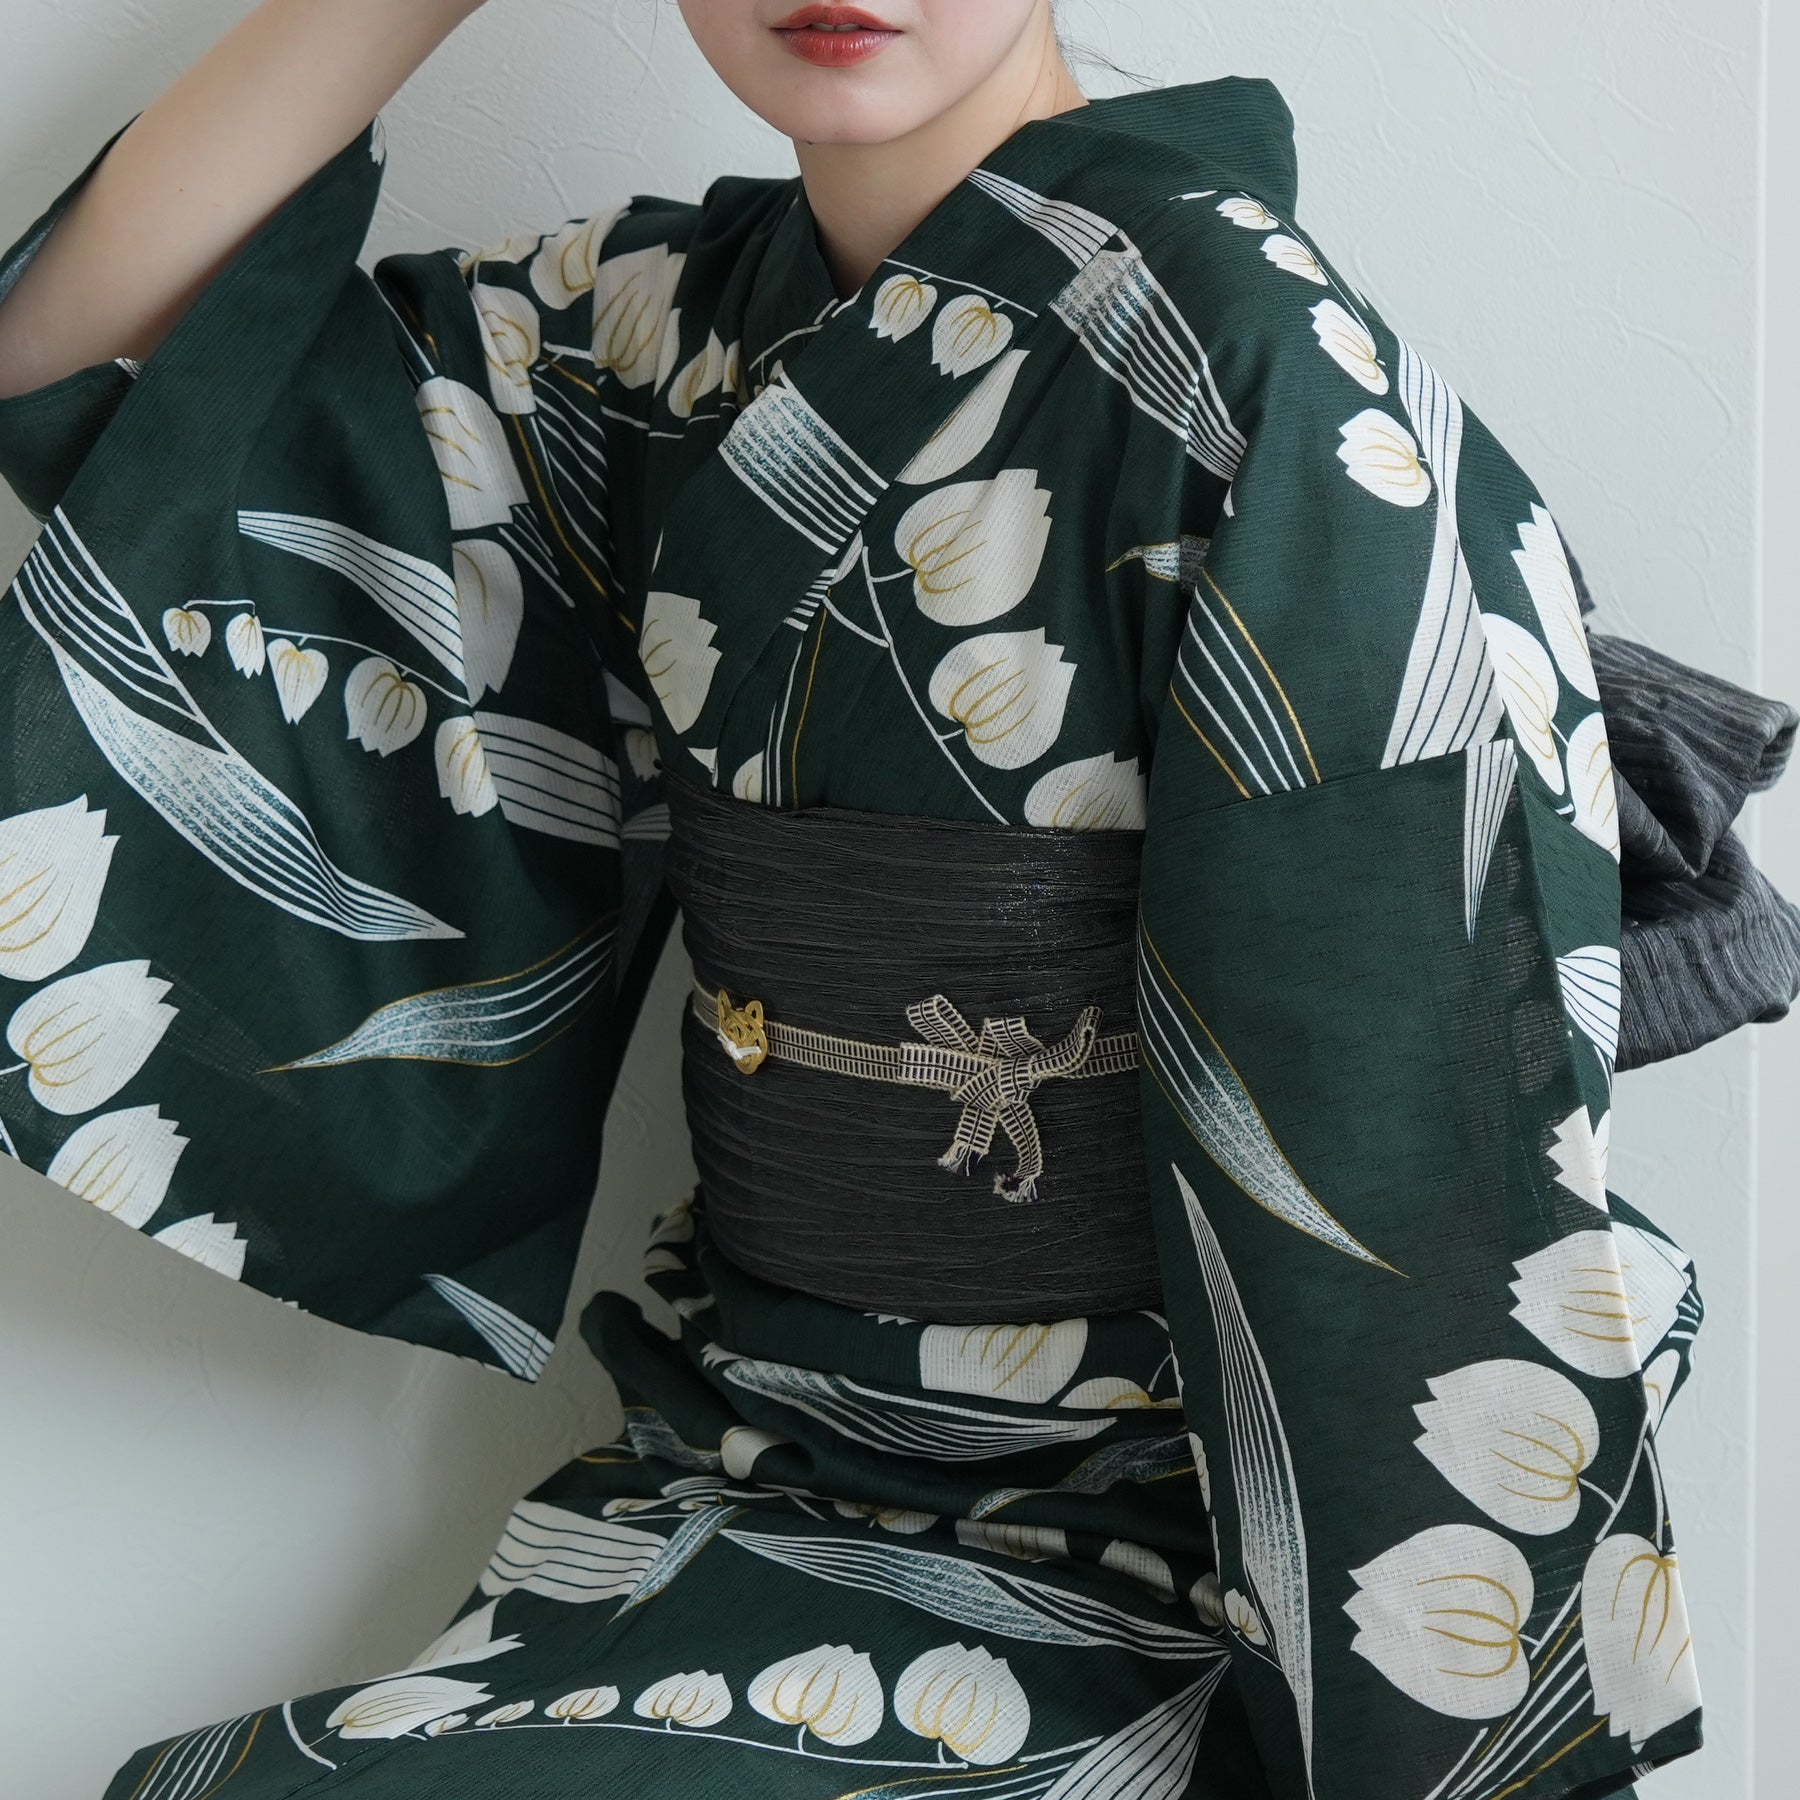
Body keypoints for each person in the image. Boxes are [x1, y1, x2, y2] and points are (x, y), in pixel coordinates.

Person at [0, 3, 1793, 1795]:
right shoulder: (663, 330)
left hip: (1175, 1544)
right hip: (757, 1461)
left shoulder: (1263, 368)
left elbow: (1406, 1126)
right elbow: (77, 359)